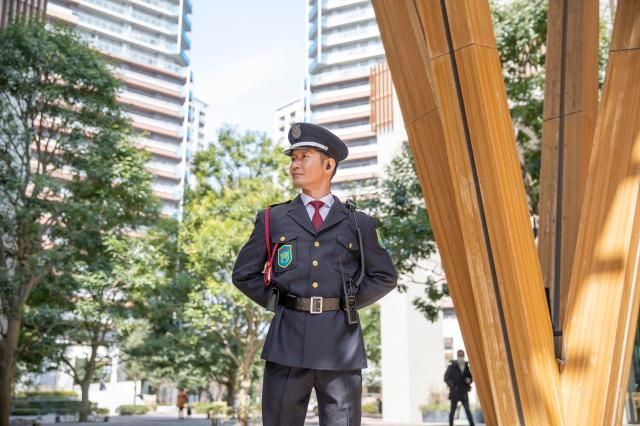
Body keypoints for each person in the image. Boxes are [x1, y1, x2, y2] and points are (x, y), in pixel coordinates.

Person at [232, 122, 398, 426]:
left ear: (328, 165)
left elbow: (385, 276)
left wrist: (346, 303)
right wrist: (278, 302)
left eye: (304, 157)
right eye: (293, 158)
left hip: (340, 347)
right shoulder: (273, 218)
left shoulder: (358, 223)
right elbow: (244, 274)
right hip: (286, 343)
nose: (295, 164)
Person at [444, 350, 475, 426]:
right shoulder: (452, 367)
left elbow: (470, 377)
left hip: (464, 392)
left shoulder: (466, 366)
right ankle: (451, 424)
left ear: (464, 356)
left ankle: (472, 424)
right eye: (459, 355)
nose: (461, 357)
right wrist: (452, 386)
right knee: (452, 410)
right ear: (457, 356)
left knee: (467, 410)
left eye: (462, 355)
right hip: (455, 392)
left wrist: (469, 380)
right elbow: (446, 378)